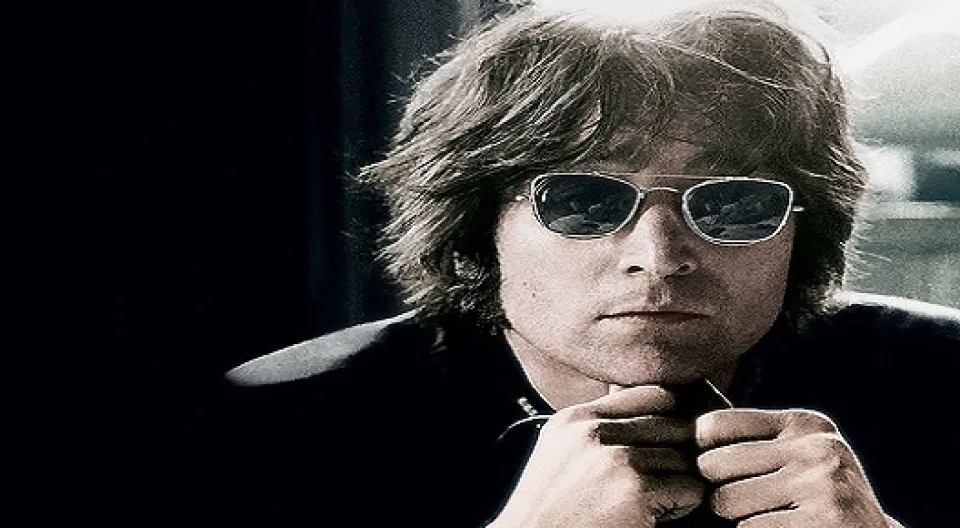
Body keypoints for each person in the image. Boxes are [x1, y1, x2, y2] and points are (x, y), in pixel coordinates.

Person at [205, 0, 959, 526]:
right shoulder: (282, 427)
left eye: (732, 203)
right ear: (477, 226)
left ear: (801, 230)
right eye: (585, 202)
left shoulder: (944, 387)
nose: (658, 257)